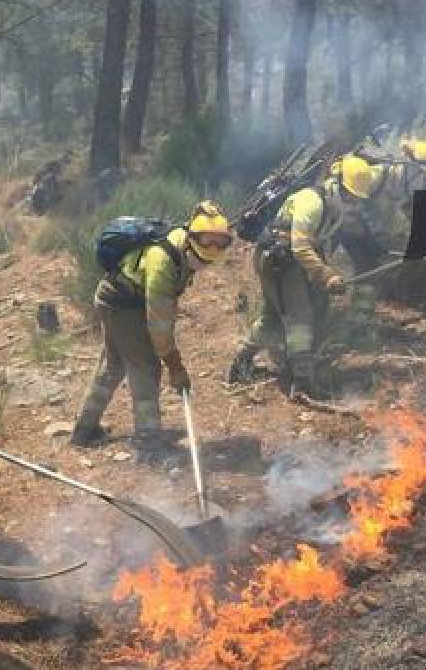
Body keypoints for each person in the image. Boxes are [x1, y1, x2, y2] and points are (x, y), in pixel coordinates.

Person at [70, 202, 234, 463]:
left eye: (219, 244)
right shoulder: (163, 260)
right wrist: (174, 364)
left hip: (125, 299)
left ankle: (84, 430)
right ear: (191, 238)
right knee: (145, 368)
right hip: (121, 305)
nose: (211, 251)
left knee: (113, 367)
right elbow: (159, 324)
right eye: (206, 244)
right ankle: (149, 444)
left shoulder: (184, 248)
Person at [227, 155, 393, 397]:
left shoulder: (335, 211)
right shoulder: (311, 201)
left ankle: (241, 363)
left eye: (356, 200)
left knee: (272, 315)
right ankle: (302, 383)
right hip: (280, 258)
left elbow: (324, 246)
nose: (351, 204)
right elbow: (301, 247)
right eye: (348, 196)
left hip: (286, 259)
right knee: (299, 316)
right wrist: (326, 276)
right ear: (335, 184)